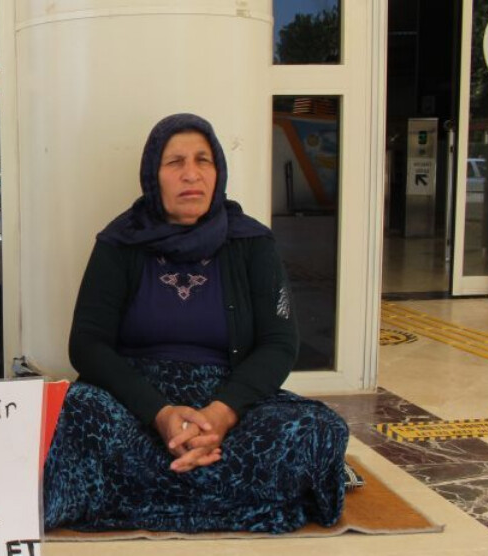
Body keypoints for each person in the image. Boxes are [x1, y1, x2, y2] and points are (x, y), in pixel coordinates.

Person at [43, 114, 349, 533]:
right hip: (136, 404)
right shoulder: (119, 242)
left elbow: (279, 343)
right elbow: (87, 344)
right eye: (175, 162)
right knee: (73, 412)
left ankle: (136, 495)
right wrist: (160, 414)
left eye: (203, 160)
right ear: (153, 176)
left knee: (317, 429)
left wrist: (220, 416)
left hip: (227, 400)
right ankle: (232, 497)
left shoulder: (252, 242)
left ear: (218, 171)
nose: (191, 174)